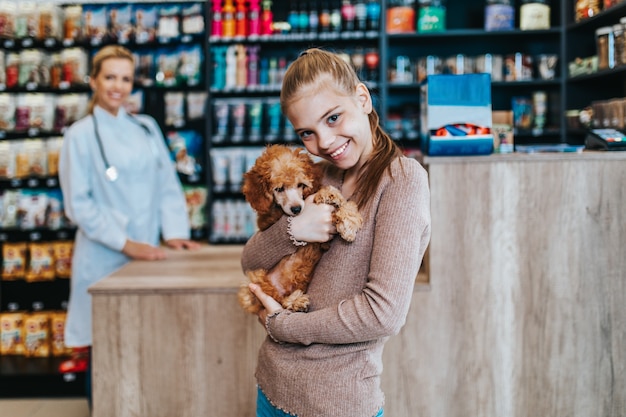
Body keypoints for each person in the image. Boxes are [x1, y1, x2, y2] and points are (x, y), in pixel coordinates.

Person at [241, 48, 431, 417]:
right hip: (271, 385)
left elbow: (383, 313)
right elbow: (250, 259)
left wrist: (285, 326)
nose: (325, 142)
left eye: (333, 118)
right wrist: (293, 230)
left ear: (362, 98)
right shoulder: (318, 174)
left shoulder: (402, 180)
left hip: (336, 403)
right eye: (307, 133)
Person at [57, 45, 200, 401]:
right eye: (109, 77)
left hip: (148, 253)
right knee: (104, 344)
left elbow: (167, 184)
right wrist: (125, 243)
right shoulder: (80, 134)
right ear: (93, 81)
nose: (118, 86)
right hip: (103, 257)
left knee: (142, 339)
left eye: (125, 78)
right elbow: (79, 205)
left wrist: (176, 234)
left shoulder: (146, 127)